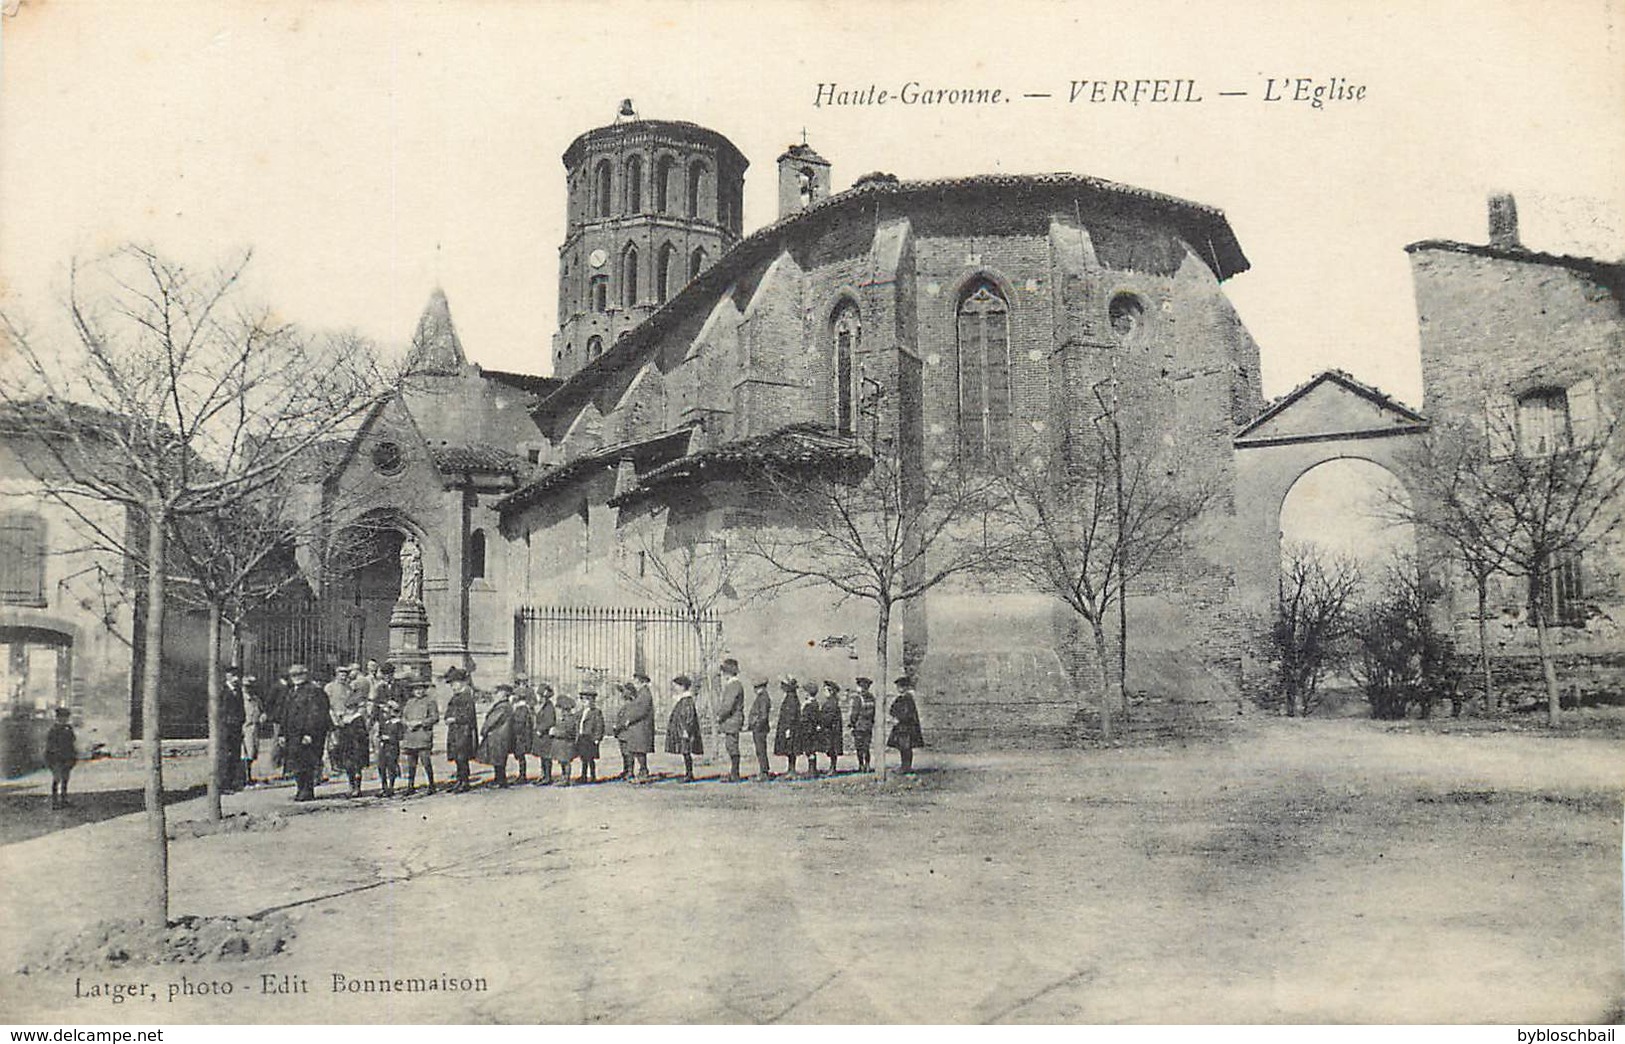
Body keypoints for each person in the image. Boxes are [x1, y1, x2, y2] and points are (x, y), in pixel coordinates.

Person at [284, 663, 332, 802]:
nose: (295, 678)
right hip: (293, 734)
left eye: (298, 674)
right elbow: (285, 714)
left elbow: (316, 714)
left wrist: (309, 733)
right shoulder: (292, 691)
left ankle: (307, 790)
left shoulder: (314, 691)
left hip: (307, 734)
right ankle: (300, 789)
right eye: (293, 675)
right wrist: (282, 733)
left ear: (305, 675)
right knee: (296, 762)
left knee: (307, 762)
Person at [400, 678, 440, 796]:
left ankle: (431, 785)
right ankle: (410, 786)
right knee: (411, 763)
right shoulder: (409, 702)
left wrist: (420, 722)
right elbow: (403, 717)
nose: (418, 691)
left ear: (424, 689)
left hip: (423, 736)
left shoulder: (430, 702)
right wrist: (406, 723)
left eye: (420, 689)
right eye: (416, 689)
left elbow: (434, 718)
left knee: (426, 762)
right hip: (410, 736)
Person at [331, 685, 372, 797]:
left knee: (357, 768)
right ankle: (351, 786)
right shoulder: (344, 719)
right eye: (348, 707)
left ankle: (357, 788)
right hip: (346, 746)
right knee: (348, 767)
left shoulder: (358, 719)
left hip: (357, 746)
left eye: (351, 708)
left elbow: (362, 734)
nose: (349, 710)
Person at [443, 667, 478, 793]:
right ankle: (460, 780)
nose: (452, 686)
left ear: (461, 683)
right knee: (457, 757)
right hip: (455, 731)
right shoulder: (455, 697)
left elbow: (469, 716)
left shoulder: (467, 697)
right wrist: (447, 718)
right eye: (451, 684)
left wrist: (455, 719)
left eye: (454, 683)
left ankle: (465, 782)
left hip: (464, 731)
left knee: (462, 757)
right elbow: (448, 711)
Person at [476, 681, 517, 788]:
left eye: (498, 693)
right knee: (498, 759)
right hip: (501, 736)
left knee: (498, 760)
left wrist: (483, 731)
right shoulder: (505, 705)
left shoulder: (502, 706)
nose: (496, 695)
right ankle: (498, 779)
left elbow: (492, 721)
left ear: (503, 694)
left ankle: (501, 781)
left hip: (498, 736)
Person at [664, 674, 703, 781]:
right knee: (685, 752)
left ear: (682, 686)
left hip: (685, 731)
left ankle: (689, 774)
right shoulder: (683, 700)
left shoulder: (687, 700)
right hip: (682, 730)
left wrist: (686, 730)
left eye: (676, 685)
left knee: (686, 752)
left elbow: (689, 717)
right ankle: (688, 773)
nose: (674, 688)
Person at [887, 675, 926, 774]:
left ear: (905, 687)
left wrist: (898, 719)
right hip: (901, 727)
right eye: (898, 687)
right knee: (902, 748)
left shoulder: (908, 699)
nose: (899, 688)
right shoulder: (900, 698)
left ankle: (906, 767)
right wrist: (894, 717)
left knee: (906, 748)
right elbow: (892, 709)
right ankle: (904, 766)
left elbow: (907, 713)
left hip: (907, 727)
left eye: (901, 686)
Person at [716, 658, 746, 782]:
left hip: (731, 721)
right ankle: (734, 773)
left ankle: (735, 774)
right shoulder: (734, 684)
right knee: (731, 746)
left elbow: (728, 705)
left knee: (732, 746)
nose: (723, 675)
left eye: (724, 672)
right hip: (733, 720)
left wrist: (720, 716)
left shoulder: (733, 685)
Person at [219, 667, 247, 793]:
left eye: (238, 676)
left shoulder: (238, 690)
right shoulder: (222, 690)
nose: (237, 679)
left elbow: (241, 709)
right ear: (227, 676)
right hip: (225, 728)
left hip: (236, 728)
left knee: (235, 756)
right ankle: (224, 784)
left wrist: (241, 722)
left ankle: (231, 782)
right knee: (226, 756)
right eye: (234, 675)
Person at [623, 673, 655, 781]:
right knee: (637, 750)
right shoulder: (641, 693)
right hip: (638, 726)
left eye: (636, 682)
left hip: (642, 727)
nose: (635, 685)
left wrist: (630, 719)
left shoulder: (645, 694)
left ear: (642, 682)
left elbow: (642, 710)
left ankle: (644, 772)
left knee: (640, 750)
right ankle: (642, 771)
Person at [44, 707, 76, 810]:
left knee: (65, 779)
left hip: (67, 757)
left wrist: (73, 756)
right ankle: (55, 802)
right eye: (62, 717)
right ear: (58, 718)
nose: (64, 719)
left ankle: (64, 799)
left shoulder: (69, 728)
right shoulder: (54, 730)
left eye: (66, 717)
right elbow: (50, 745)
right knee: (57, 779)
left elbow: (72, 742)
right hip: (56, 758)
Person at [374, 695, 404, 797]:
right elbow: (379, 733)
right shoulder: (384, 723)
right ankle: (384, 786)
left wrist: (390, 738)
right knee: (381, 766)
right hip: (383, 747)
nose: (384, 715)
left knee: (391, 767)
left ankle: (391, 787)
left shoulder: (397, 723)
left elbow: (400, 737)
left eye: (386, 712)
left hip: (392, 747)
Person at [773, 676, 801, 776]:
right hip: (789, 727)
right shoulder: (791, 697)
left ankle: (792, 770)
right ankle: (790, 769)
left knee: (791, 749)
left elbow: (791, 715)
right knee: (790, 749)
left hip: (790, 728)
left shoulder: (791, 698)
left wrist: (788, 728)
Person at [848, 676, 877, 773]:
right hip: (868, 726)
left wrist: (852, 724)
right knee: (866, 747)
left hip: (859, 726)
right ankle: (867, 765)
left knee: (859, 747)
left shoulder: (858, 698)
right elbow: (874, 713)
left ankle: (861, 765)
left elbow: (854, 713)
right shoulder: (872, 698)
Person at [550, 689, 579, 786]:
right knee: (562, 762)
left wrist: (556, 733)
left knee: (566, 762)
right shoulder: (563, 718)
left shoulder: (570, 719)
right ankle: (563, 777)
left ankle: (566, 779)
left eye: (563, 709)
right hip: (562, 745)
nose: (562, 711)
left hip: (567, 744)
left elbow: (569, 733)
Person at [746, 678, 773, 781]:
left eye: (756, 687)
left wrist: (757, 725)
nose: (755, 689)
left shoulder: (763, 698)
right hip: (760, 728)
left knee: (761, 750)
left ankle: (764, 772)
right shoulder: (762, 697)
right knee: (760, 750)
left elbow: (763, 716)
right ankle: (764, 770)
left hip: (760, 729)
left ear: (762, 687)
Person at [576, 689, 605, 783]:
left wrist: (597, 738)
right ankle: (583, 776)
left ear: (592, 701)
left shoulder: (596, 712)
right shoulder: (581, 712)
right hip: (582, 737)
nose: (584, 702)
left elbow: (599, 725)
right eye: (582, 700)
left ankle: (593, 776)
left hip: (590, 738)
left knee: (590, 758)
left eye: (586, 700)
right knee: (583, 758)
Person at [241, 674, 264, 786]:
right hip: (245, 728)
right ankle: (245, 778)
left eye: (251, 686)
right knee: (245, 754)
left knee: (252, 753)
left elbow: (261, 710)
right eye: (247, 686)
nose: (249, 689)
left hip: (255, 729)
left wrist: (263, 716)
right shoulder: (241, 698)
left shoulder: (256, 699)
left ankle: (248, 776)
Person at [531, 684, 557, 785]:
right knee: (542, 757)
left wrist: (541, 729)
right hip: (541, 736)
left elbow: (550, 721)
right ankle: (543, 775)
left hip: (545, 736)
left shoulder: (549, 706)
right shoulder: (542, 706)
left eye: (539, 695)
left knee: (546, 757)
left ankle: (547, 777)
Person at [510, 681, 535, 783]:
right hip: (521, 736)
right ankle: (522, 775)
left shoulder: (521, 709)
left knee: (521, 756)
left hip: (521, 737)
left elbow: (520, 724)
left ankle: (522, 776)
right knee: (520, 756)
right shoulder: (523, 709)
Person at [798, 681, 824, 774]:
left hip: (809, 730)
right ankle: (812, 769)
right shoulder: (812, 703)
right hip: (809, 729)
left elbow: (809, 718)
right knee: (809, 750)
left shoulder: (811, 704)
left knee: (810, 750)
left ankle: (812, 770)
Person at [612, 682, 637, 780]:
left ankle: (630, 772)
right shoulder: (625, 705)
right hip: (621, 733)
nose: (622, 694)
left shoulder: (630, 705)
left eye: (624, 692)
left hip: (626, 732)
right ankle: (626, 770)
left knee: (628, 753)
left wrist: (618, 726)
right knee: (624, 753)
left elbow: (627, 719)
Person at [820, 680, 845, 774]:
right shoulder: (830, 702)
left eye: (826, 690)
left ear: (831, 691)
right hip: (831, 729)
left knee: (832, 749)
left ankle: (832, 768)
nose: (824, 692)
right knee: (831, 749)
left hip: (831, 730)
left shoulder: (832, 703)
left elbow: (828, 717)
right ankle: (832, 768)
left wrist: (821, 722)